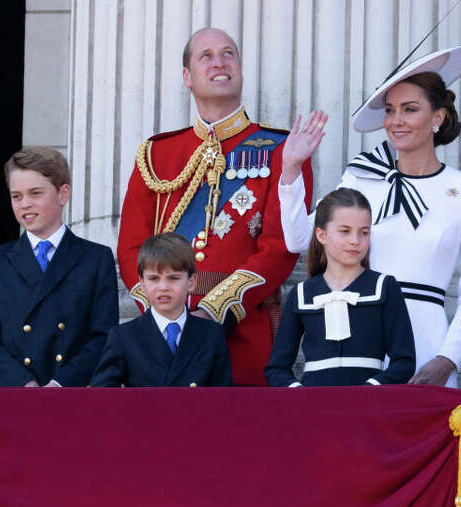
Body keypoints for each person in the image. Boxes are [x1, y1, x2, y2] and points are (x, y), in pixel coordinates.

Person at [277, 46, 461, 388]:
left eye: (410, 109)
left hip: (427, 339)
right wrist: (290, 170)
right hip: (361, 332)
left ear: (437, 117)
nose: (396, 121)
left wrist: (448, 359)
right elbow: (299, 239)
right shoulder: (362, 177)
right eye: (390, 110)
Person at [116, 27, 313, 385]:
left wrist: (213, 309)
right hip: (164, 334)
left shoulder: (282, 150)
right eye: (206, 56)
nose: (219, 63)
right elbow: (131, 247)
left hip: (242, 332)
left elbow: (279, 249)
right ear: (187, 77)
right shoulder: (156, 154)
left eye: (228, 54)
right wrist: (164, 312)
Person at [0, 147, 119, 387]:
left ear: (63, 194)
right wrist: (22, 382)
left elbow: (103, 337)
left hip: (70, 395)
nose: (24, 204)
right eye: (16, 196)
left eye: (35, 193)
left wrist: (59, 383)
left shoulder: (96, 259)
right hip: (11, 395)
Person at [265, 188, 416, 387]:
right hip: (314, 409)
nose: (356, 240)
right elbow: (276, 369)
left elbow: (404, 362)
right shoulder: (301, 294)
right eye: (345, 231)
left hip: (368, 407)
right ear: (321, 235)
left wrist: (370, 389)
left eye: (364, 232)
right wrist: (299, 394)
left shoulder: (385, 287)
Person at [91, 233, 231, 387]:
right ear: (142, 283)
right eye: (154, 279)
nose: (163, 287)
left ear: (191, 282)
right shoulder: (124, 337)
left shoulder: (211, 334)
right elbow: (102, 398)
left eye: (173, 278)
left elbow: (223, 400)